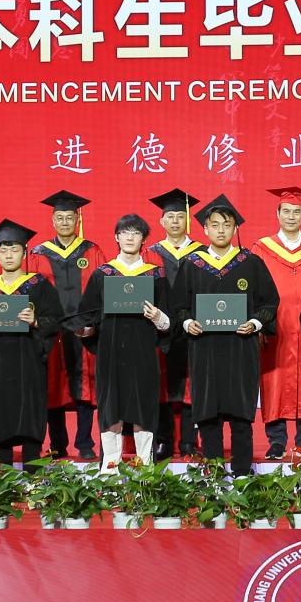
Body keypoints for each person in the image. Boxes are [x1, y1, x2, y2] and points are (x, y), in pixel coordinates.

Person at [171, 195, 278, 473]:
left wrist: (254, 323)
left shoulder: (250, 263)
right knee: (209, 414)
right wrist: (187, 323)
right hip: (204, 348)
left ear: (235, 229)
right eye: (215, 225)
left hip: (240, 348)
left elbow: (269, 303)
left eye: (227, 225)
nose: (221, 230)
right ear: (205, 229)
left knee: (241, 415)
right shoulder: (192, 264)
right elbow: (178, 305)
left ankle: (242, 473)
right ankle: (215, 474)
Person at [73, 212, 173, 469]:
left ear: (143, 239)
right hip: (111, 353)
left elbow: (169, 322)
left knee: (143, 408)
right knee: (111, 409)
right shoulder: (102, 275)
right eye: (124, 232)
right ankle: (110, 469)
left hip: (143, 354)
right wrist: (83, 330)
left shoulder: (156, 276)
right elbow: (87, 317)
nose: (130, 237)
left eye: (136, 233)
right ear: (116, 237)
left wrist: (158, 316)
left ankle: (145, 470)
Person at [0, 219, 61, 467]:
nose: (9, 255)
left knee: (30, 413)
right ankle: (4, 475)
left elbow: (56, 320)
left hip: (29, 360)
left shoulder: (39, 284)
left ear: (24, 253)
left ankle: (33, 473)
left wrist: (36, 321)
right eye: (4, 250)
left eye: (14, 250)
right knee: (1, 415)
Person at [256, 186, 301, 460]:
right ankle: (276, 441)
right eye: (286, 211)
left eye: (297, 212)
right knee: (274, 379)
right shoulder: (262, 249)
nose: (291, 217)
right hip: (276, 326)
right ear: (277, 214)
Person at [33, 190, 99, 459]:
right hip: (52, 330)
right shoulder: (38, 253)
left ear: (77, 220)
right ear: (53, 221)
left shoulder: (92, 251)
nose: (64, 222)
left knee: (85, 384)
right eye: (59, 218)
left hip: (83, 329)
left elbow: (101, 289)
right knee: (54, 384)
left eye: (69, 217)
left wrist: (93, 324)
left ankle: (85, 443)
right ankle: (58, 443)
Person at [147, 188, 203, 460]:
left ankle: (190, 440)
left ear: (188, 220)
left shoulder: (202, 253)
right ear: (162, 221)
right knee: (161, 383)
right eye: (170, 217)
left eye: (181, 216)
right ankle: (164, 439)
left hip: (194, 325)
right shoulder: (150, 254)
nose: (175, 221)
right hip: (159, 327)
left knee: (194, 383)